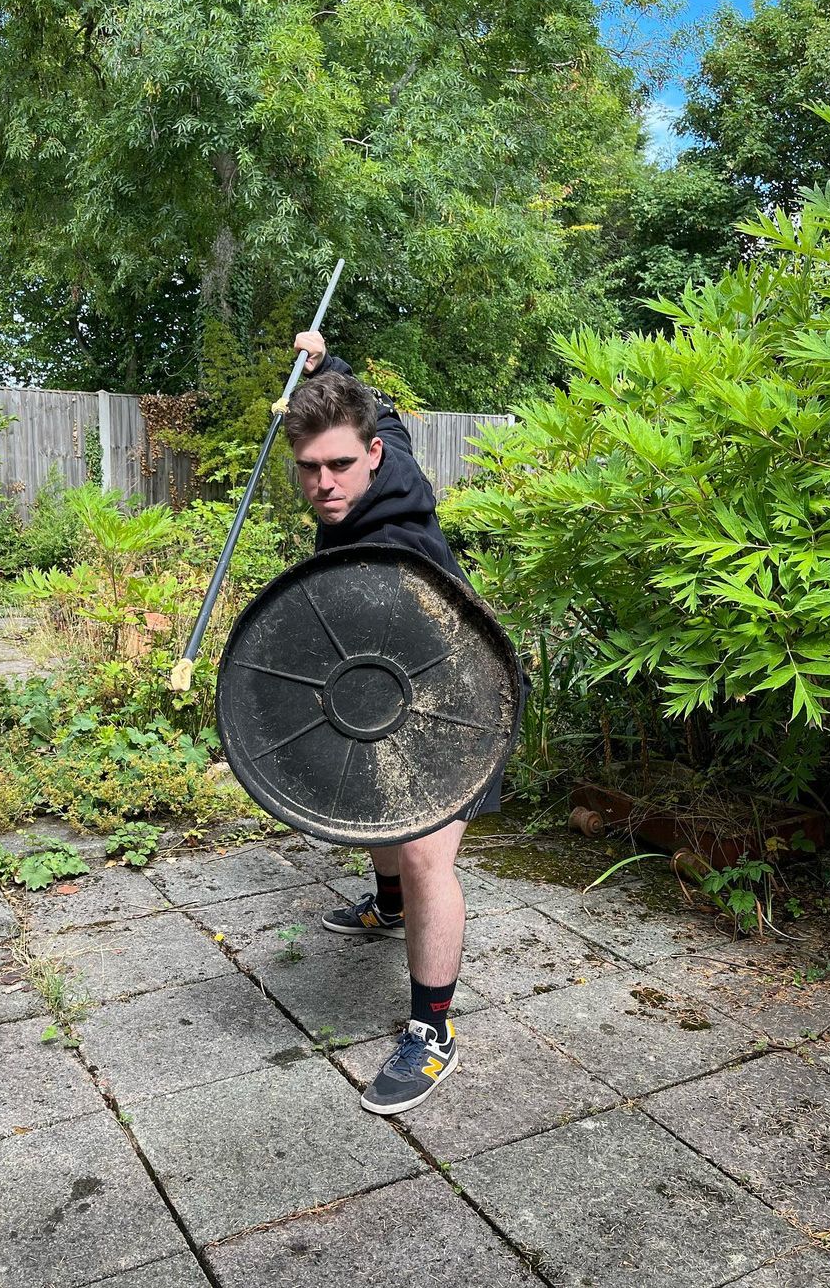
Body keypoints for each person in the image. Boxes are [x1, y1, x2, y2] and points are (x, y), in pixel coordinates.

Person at [280, 330, 504, 1116]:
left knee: (423, 852)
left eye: (340, 465)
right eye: (308, 467)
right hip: (391, 683)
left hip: (460, 698)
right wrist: (327, 362)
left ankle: (433, 1031)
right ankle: (390, 907)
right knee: (367, 790)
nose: (325, 483)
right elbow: (389, 416)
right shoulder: (390, 451)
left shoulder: (388, 548)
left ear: (371, 456)